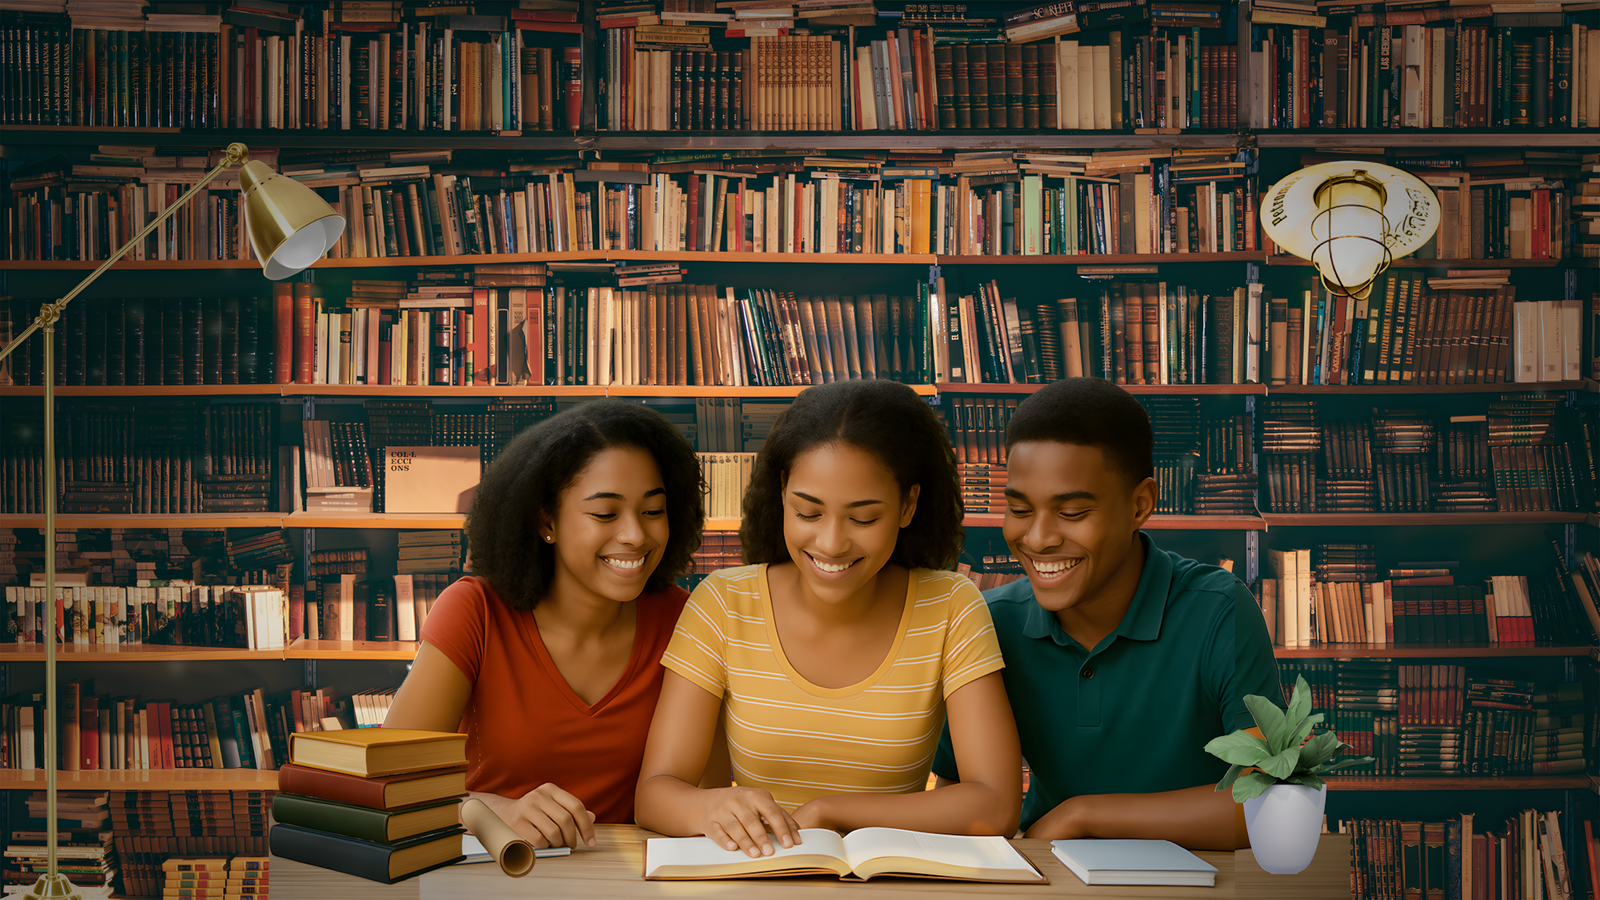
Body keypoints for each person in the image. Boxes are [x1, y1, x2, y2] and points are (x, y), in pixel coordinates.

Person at [635, 380, 1022, 859]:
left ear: (907, 506)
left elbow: (997, 805)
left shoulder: (950, 607)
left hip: (890, 882)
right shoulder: (723, 602)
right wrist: (707, 808)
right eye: (808, 512)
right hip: (758, 876)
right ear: (782, 493)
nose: (832, 543)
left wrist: (831, 812)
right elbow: (655, 794)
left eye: (862, 519)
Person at [931, 377, 1283, 851]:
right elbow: (960, 797)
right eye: (1019, 509)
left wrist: (1085, 815)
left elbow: (1271, 799)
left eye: (1072, 512)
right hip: (1050, 876)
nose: (1037, 539)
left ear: (1140, 505)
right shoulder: (987, 624)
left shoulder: (1219, 611)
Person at [384, 399, 718, 850]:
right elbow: (386, 783)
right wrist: (487, 810)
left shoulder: (685, 619)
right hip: (495, 869)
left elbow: (702, 787)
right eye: (604, 514)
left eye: (653, 511)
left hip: (625, 878)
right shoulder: (475, 612)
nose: (636, 535)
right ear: (547, 521)